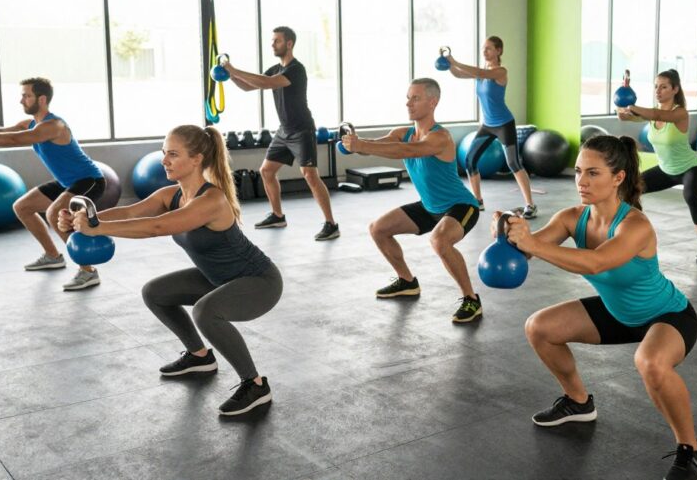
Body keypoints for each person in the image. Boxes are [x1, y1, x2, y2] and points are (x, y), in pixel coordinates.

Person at [500, 134, 697, 480]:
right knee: (539, 328)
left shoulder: (635, 224)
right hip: (616, 313)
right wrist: (508, 230)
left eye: (593, 173)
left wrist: (532, 243)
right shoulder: (571, 217)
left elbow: (597, 263)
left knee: (650, 362)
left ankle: (691, 450)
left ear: (618, 178)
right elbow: (529, 250)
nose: (581, 181)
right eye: (579, 171)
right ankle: (578, 401)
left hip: (667, 317)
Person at [59, 124, 282, 416]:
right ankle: (199, 356)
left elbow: (157, 227)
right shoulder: (171, 194)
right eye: (164, 153)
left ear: (197, 159)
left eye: (173, 154)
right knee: (155, 292)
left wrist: (96, 227)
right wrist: (84, 219)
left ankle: (255, 386)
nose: (164, 160)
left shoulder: (211, 200)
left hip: (258, 281)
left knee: (205, 311)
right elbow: (129, 212)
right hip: (219, 279)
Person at [341, 78, 483, 323]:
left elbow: (406, 151)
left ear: (433, 102)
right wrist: (354, 144)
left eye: (415, 98)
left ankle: (471, 299)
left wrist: (362, 145)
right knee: (378, 229)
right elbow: (373, 146)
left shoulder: (441, 138)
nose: (408, 103)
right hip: (429, 207)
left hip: (460, 206)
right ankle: (407, 281)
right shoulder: (403, 133)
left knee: (439, 242)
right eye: (408, 98)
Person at [0, 77, 106, 291]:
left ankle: (88, 270)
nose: (22, 101)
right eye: (22, 96)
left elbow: (15, 140)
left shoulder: (53, 126)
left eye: (26, 96)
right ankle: (52, 255)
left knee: (54, 213)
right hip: (67, 181)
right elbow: (6, 132)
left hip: (89, 180)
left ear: (42, 98)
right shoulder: (30, 123)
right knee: (23, 207)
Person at [223, 25, 339, 239]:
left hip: (302, 129)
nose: (272, 44)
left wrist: (233, 68)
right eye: (272, 40)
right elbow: (249, 86)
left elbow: (267, 83)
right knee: (266, 171)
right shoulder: (274, 68)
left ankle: (331, 224)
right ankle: (278, 216)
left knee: (310, 175)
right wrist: (228, 75)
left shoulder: (296, 69)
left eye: (276, 40)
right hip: (284, 131)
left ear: (289, 43)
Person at [617, 69, 697, 263]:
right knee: (628, 190)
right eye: (655, 87)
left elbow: (655, 113)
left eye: (663, 87)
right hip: (665, 170)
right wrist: (622, 102)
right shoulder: (652, 115)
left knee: (691, 196)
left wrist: (633, 105)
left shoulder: (679, 113)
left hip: (690, 168)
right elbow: (625, 117)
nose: (658, 91)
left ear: (675, 89)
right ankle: (635, 237)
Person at [443, 36, 538, 219]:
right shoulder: (482, 72)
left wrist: (455, 61)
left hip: (504, 124)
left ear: (499, 51)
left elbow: (480, 72)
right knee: (470, 160)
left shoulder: (500, 72)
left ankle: (530, 204)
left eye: (488, 48)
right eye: (483, 48)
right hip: (487, 125)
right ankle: (478, 201)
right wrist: (448, 62)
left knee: (513, 163)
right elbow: (458, 74)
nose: (484, 51)